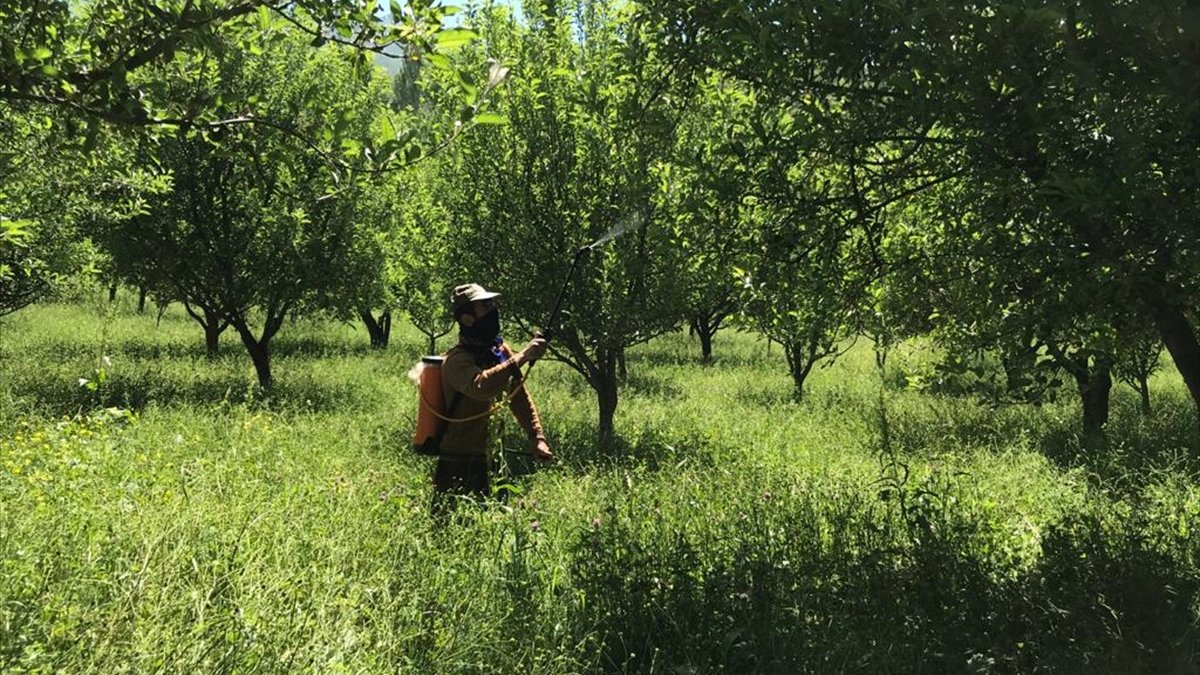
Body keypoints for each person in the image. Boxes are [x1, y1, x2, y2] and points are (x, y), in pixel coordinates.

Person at [433, 283, 552, 514]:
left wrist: (537, 437)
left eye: (492, 303)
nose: (493, 309)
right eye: (486, 306)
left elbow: (518, 396)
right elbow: (480, 386)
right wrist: (523, 356)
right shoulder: (456, 360)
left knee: (490, 521)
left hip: (493, 456)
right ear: (467, 319)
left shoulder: (499, 351)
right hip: (458, 458)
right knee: (448, 522)